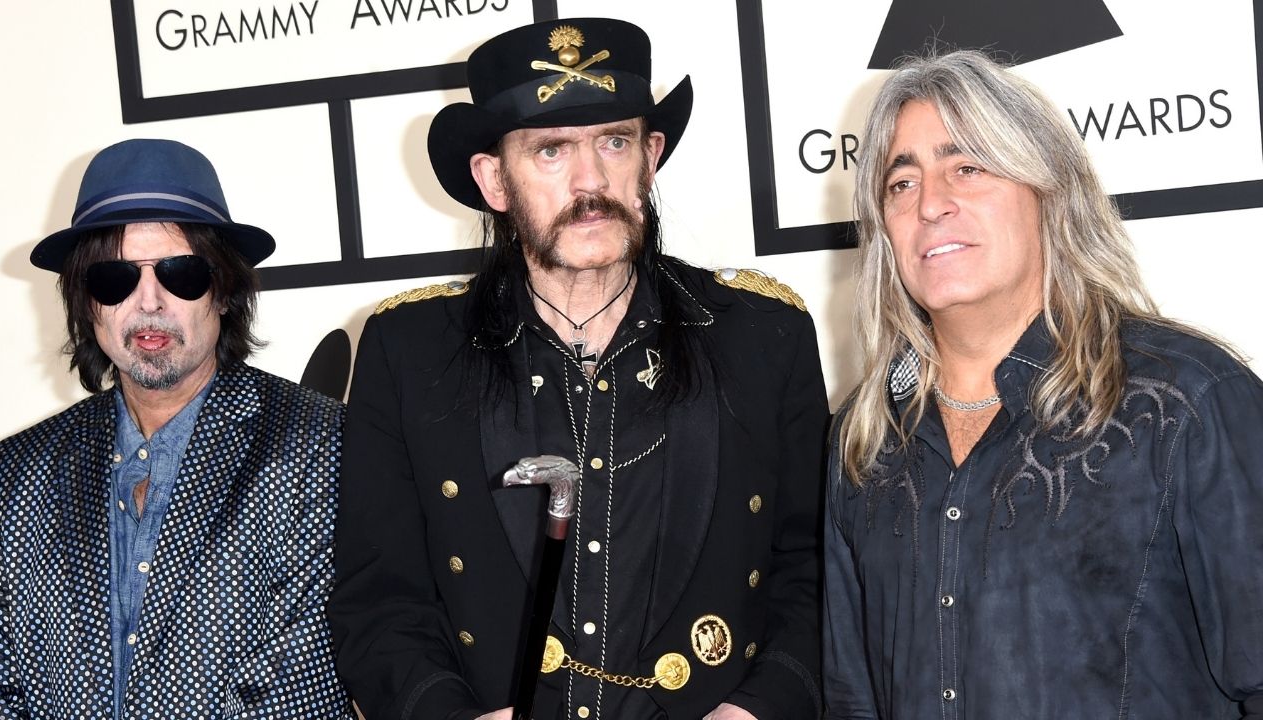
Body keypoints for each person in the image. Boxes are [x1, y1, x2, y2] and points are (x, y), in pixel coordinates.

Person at [327, 17, 827, 720]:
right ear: (493, 179)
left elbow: (816, 570)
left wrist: (761, 707)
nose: (591, 181)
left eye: (614, 142)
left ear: (650, 157)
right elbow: (381, 600)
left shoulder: (763, 337)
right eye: (552, 151)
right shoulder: (408, 353)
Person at [822, 49, 1263, 718]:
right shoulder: (864, 438)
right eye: (901, 184)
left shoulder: (1190, 404)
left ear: (1049, 190)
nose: (931, 204)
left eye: (967, 167)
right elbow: (850, 699)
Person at [0, 139, 354, 718]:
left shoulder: (319, 445)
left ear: (225, 290)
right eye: (114, 278)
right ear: (87, 303)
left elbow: (293, 688)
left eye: (181, 273)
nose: (148, 301)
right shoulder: (10, 476)